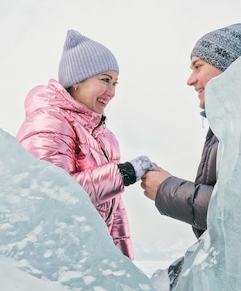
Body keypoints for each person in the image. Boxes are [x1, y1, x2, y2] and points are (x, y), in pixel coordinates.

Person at [140, 23, 241, 289]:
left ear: (231, 66)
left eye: (198, 66)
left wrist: (167, 189)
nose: (190, 80)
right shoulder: (227, 124)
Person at [16, 29, 156, 260]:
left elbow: (115, 210)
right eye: (104, 80)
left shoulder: (104, 137)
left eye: (115, 83)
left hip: (90, 263)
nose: (111, 92)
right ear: (77, 81)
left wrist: (123, 267)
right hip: (56, 262)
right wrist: (123, 174)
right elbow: (52, 195)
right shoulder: (49, 121)